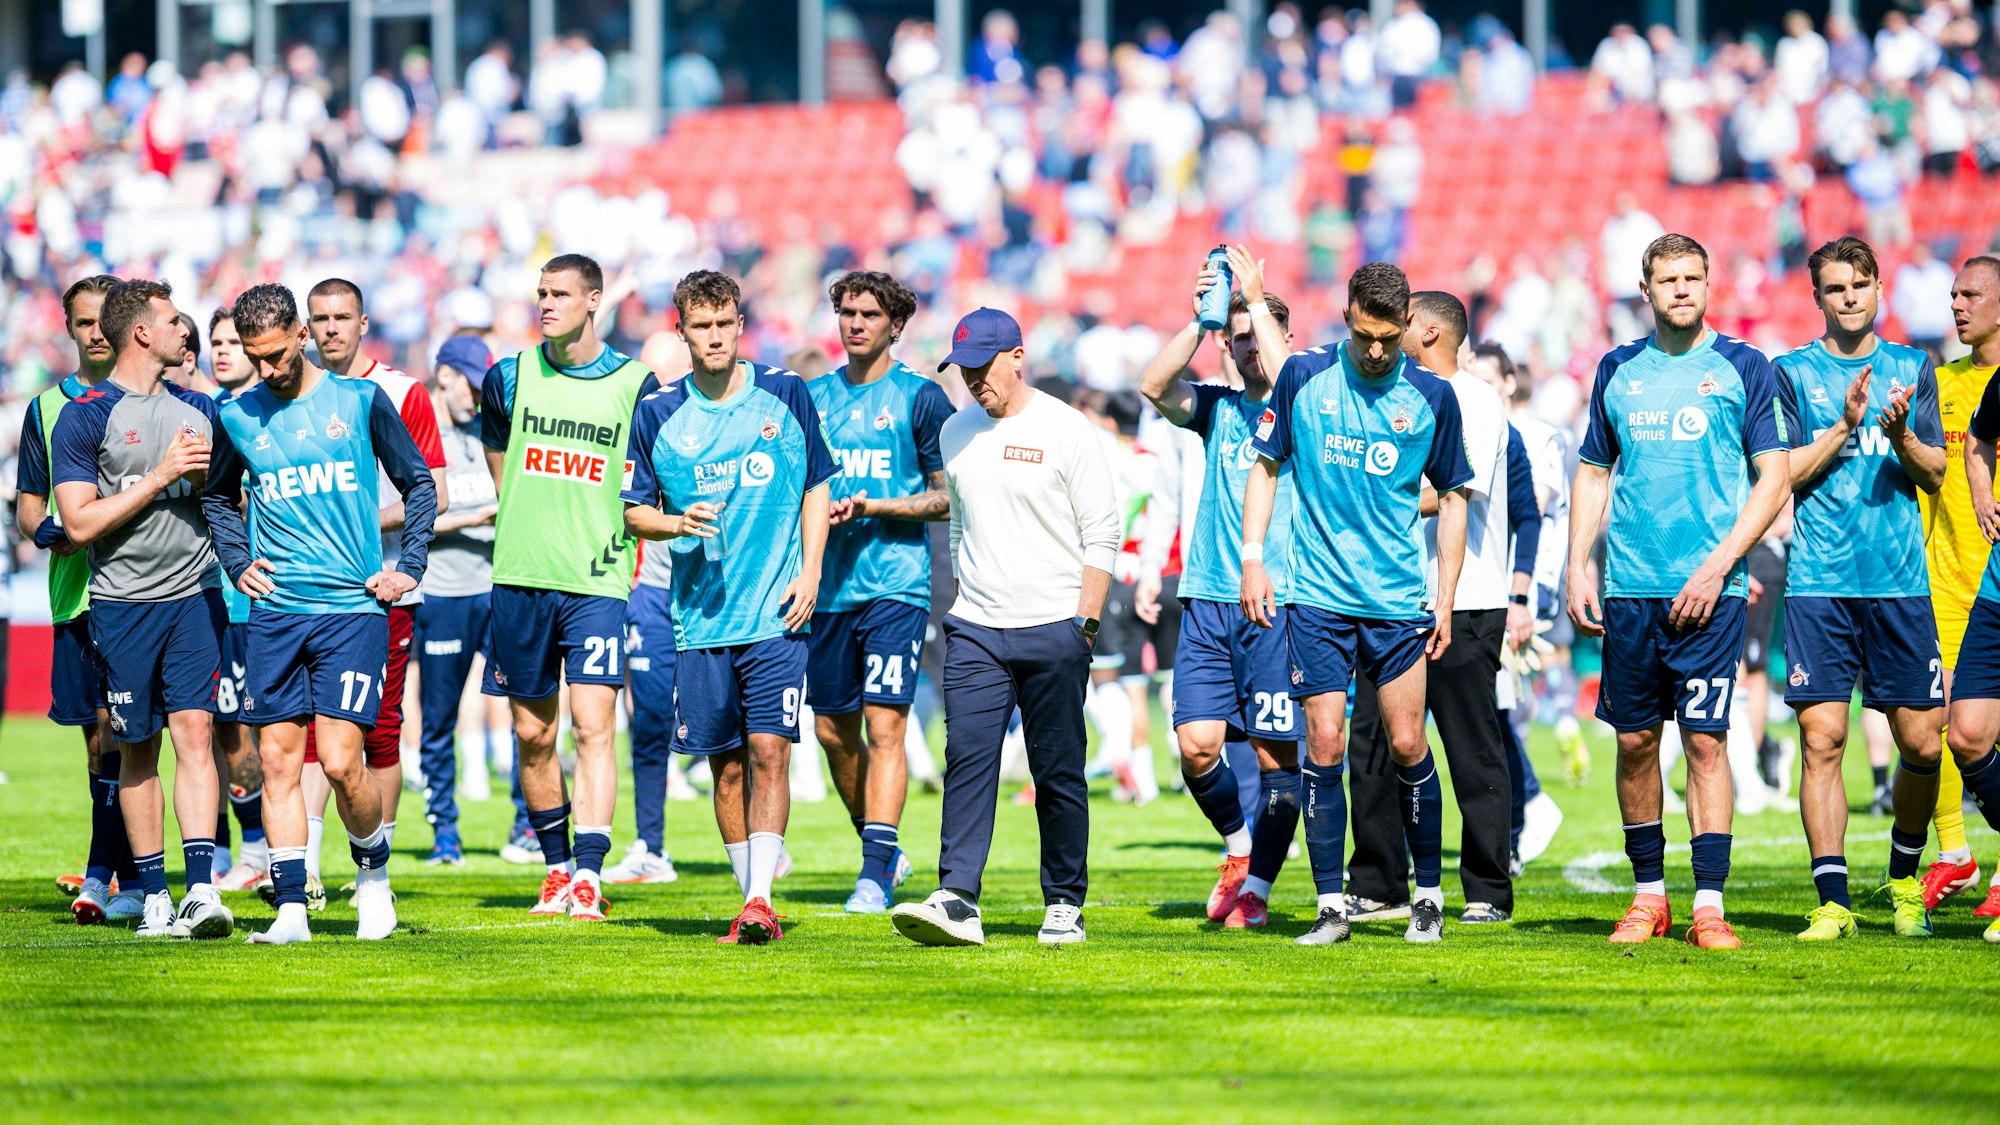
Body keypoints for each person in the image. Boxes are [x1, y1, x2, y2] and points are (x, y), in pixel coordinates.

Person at [1567, 233, 1794, 950]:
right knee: (1635, 741)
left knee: (1705, 741)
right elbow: (1594, 472)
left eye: (1693, 277)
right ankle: (1648, 897)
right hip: (1631, 587)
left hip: (1711, 592)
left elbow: (1774, 476)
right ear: (1646, 290)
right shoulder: (1617, 369)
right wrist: (1578, 563)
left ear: (1708, 284)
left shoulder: (1743, 367)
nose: (1682, 289)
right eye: (1668, 279)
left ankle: (1709, 904)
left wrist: (1721, 564)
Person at [1240, 262, 1473, 946]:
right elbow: (1266, 464)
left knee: (1405, 741)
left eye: (1389, 338)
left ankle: (1427, 896)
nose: (1377, 351)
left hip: (1398, 601)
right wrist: (1254, 558)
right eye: (1366, 336)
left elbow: (1455, 494)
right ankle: (1330, 907)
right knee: (1325, 741)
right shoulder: (1305, 378)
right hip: (1316, 596)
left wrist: (1448, 596)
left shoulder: (1433, 396)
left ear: (1407, 326)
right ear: (1346, 316)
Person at [205, 282, 438, 945]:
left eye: (277, 355)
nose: (268, 370)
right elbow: (219, 498)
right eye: (256, 359)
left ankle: (372, 881)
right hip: (276, 613)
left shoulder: (361, 401)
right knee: (277, 763)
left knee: (339, 761)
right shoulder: (237, 415)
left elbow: (419, 483)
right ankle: (290, 912)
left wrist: (409, 568)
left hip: (351, 610)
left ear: (302, 336)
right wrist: (236, 558)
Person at [891, 307, 1120, 947]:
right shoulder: (957, 431)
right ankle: (959, 897)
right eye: (963, 370)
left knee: (1058, 771)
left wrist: (1085, 623)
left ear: (1017, 357)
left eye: (983, 367)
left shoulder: (1066, 427)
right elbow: (960, 524)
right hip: (976, 629)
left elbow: (1102, 532)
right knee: (966, 759)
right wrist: (967, 600)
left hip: (1055, 625)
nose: (973, 382)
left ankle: (1064, 901)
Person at [622, 270, 834, 944]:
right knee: (727, 763)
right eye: (701, 326)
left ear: (741, 325)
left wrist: (811, 571)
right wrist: (677, 523)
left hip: (776, 611)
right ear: (680, 330)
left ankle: (760, 899)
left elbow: (817, 486)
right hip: (700, 620)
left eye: (725, 324)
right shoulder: (657, 413)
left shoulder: (785, 393)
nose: (714, 337)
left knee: (770, 748)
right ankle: (750, 892)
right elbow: (632, 513)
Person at [1775, 236, 1947, 941]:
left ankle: (1904, 878)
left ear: (1880, 289)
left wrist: (1901, 434)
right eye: (1836, 287)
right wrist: (1845, 426)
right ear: (1817, 297)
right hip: (1819, 582)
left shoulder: (1912, 365)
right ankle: (1833, 899)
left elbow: (1936, 472)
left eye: (1861, 284)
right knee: (1823, 738)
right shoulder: (1790, 372)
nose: (1849, 296)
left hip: (1899, 583)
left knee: (1924, 744)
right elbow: (1780, 473)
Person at [50, 278, 232, 940]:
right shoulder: (86, 415)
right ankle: (153, 893)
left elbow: (226, 502)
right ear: (142, 333)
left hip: (194, 594)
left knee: (194, 731)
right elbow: (76, 522)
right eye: (174, 320)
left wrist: (212, 487)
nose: (187, 330)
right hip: (123, 604)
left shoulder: (198, 407)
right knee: (137, 747)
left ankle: (202, 890)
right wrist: (160, 475)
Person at [480, 254, 660, 921]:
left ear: (594, 300)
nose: (546, 303)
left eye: (560, 294)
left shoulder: (637, 384)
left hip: (596, 581)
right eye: (541, 293)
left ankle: (589, 872)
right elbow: (499, 453)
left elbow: (646, 478)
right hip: (520, 577)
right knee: (533, 734)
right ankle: (555, 868)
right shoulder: (508, 376)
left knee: (593, 726)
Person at [1136, 247, 1302, 929]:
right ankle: (1240, 853)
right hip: (1206, 596)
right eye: (1235, 342)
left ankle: (1260, 885)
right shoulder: (1217, 408)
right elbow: (1152, 385)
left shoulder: (1307, 400)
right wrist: (1201, 324)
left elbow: (1286, 370)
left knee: (1274, 755)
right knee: (1197, 744)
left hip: (1279, 600)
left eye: (1254, 337)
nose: (1247, 351)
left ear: (1280, 338)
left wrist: (1256, 302)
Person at [1344, 289, 1515, 926]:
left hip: (1464, 598)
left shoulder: (1473, 400)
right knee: (1374, 744)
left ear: (1431, 331)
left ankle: (1487, 889)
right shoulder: (1390, 392)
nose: (1390, 332)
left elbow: (1450, 492)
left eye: (1405, 321)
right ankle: (1380, 880)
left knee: (1471, 747)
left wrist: (1362, 495)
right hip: (1384, 598)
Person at [805, 270, 952, 913]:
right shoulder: (807, 399)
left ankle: (873, 870)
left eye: (868, 314)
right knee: (834, 734)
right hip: (826, 591)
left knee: (885, 723)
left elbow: (950, 496)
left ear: (895, 325)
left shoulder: (922, 399)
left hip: (896, 585)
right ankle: (884, 847)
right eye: (846, 312)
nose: (855, 323)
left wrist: (877, 506)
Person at [303, 278, 447, 889]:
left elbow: (432, 492)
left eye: (342, 317)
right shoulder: (291, 396)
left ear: (364, 323)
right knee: (307, 732)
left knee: (380, 732)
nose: (331, 327)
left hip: (383, 588)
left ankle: (373, 874)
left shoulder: (402, 392)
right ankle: (302, 867)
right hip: (308, 589)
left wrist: (358, 519)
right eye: (320, 318)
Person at [17, 274, 143, 923]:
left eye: (105, 320)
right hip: (76, 596)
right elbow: (28, 505)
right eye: (85, 322)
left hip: (142, 590)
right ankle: (122, 870)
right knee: (98, 742)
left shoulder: (150, 400)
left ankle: (108, 872)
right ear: (68, 328)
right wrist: (48, 533)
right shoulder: (45, 408)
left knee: (121, 729)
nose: (96, 332)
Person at [1917, 256, 2000, 930]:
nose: (1956, 305)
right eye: (1953, 294)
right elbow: (1924, 484)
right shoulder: (1938, 383)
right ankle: (1955, 851)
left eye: (1971, 294)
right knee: (1938, 723)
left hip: (1993, 582)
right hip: (1943, 581)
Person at [414, 335, 499, 867]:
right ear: (445, 375)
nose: (478, 393)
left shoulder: (490, 428)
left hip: (497, 587)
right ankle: (445, 830)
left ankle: (527, 827)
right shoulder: (420, 432)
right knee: (438, 717)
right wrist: (475, 517)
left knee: (525, 708)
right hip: (443, 592)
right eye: (471, 380)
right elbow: (408, 514)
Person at [208, 304, 273, 893]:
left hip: (256, 602)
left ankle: (260, 849)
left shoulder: (267, 420)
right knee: (211, 728)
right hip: (206, 597)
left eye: (235, 341)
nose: (224, 350)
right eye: (217, 341)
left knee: (246, 729)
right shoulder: (204, 417)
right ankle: (229, 852)